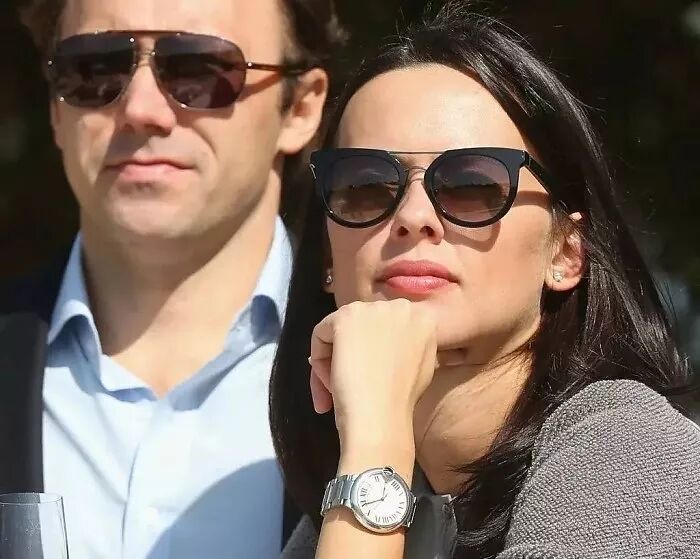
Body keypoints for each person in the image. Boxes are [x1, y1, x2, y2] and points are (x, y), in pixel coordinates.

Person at [270, 3, 700, 558]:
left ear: (566, 252)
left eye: (471, 184)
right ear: (328, 257)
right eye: (366, 185)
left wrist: (374, 446)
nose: (413, 217)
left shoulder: (631, 456)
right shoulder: (347, 511)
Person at [0, 0, 344, 557]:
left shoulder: (394, 380)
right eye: (95, 68)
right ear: (56, 109)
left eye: (198, 68)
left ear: (300, 108)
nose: (141, 110)